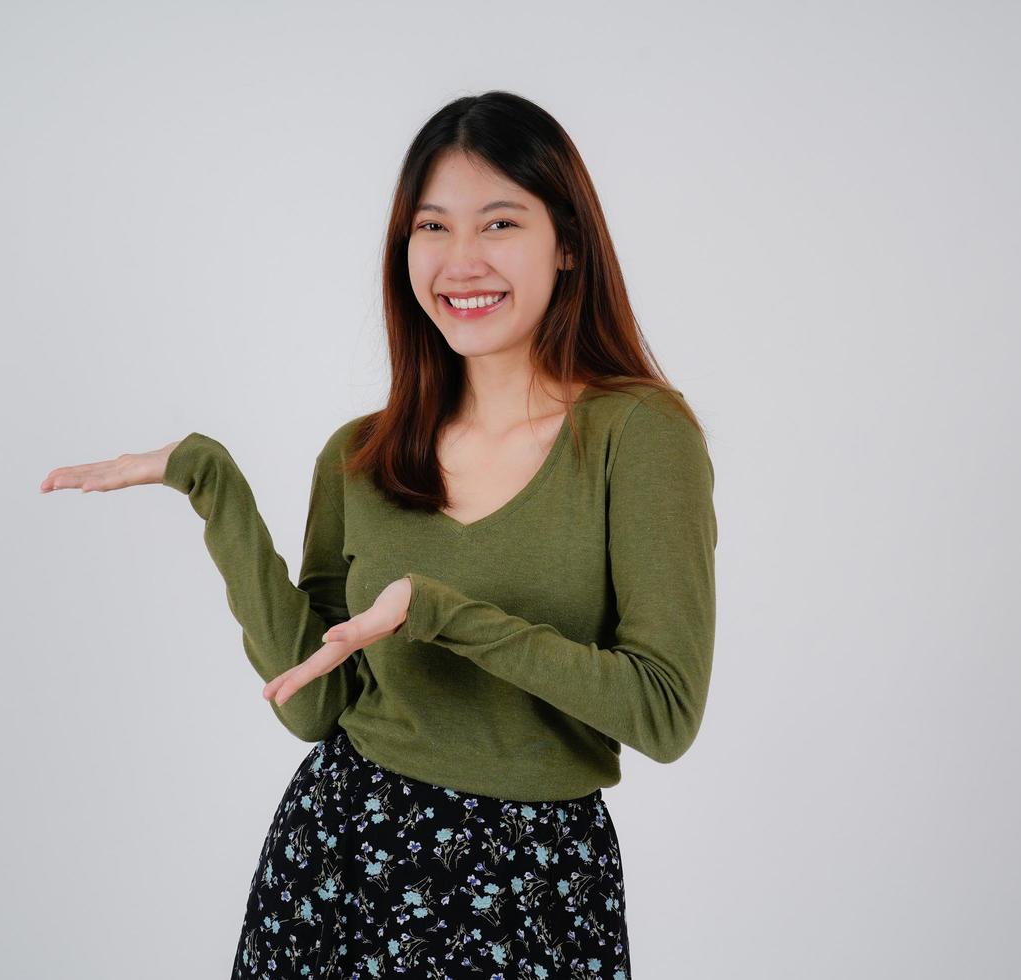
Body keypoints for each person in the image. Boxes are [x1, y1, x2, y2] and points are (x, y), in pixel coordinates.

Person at [41, 90, 717, 980]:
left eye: (500, 222)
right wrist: (210, 482)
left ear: (569, 245)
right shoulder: (360, 456)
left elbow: (664, 713)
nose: (461, 260)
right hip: (338, 859)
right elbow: (314, 706)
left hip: (531, 885)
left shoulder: (640, 435)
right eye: (432, 227)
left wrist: (444, 614)